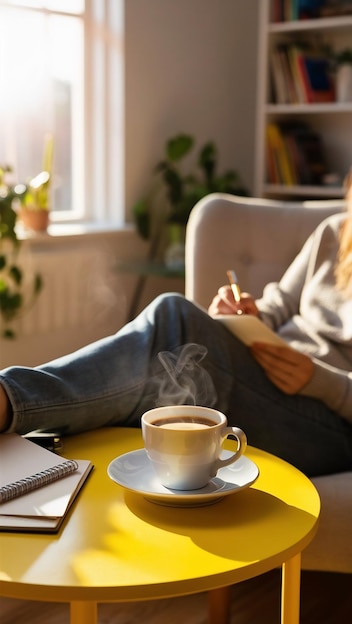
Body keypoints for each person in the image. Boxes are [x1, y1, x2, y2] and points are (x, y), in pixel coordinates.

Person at [1, 178, 352, 478]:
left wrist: (321, 382)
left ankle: (10, 400)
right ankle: (31, 446)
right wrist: (249, 315)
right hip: (267, 375)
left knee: (175, 320)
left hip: (330, 420)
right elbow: (278, 307)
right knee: (160, 371)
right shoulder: (334, 232)